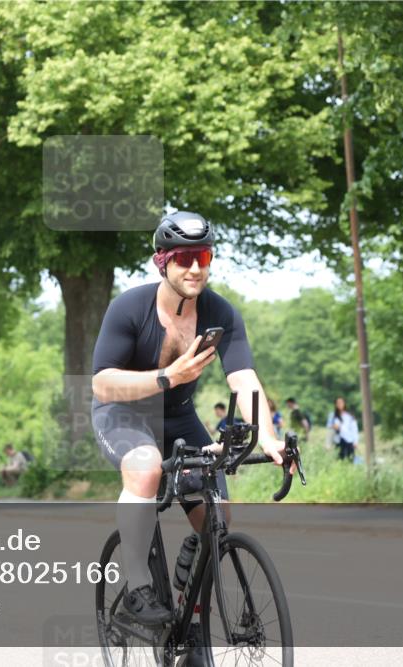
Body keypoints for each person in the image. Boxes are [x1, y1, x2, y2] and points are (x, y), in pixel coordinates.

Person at [91, 210, 285, 637]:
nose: (196, 267)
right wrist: (167, 377)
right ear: (162, 261)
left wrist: (268, 437)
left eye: (204, 256)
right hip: (123, 413)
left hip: (177, 417)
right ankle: (139, 584)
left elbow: (244, 378)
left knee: (218, 518)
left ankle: (191, 623)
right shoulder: (129, 308)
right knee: (144, 467)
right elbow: (103, 384)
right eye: (184, 258)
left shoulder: (220, 312)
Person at [327, 397, 360, 462]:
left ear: (344, 404)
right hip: (338, 441)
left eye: (341, 402)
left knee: (350, 459)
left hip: (349, 440)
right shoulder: (333, 416)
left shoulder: (349, 416)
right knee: (339, 459)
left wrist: (355, 441)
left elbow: (354, 429)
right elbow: (329, 428)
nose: (339, 404)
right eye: (338, 403)